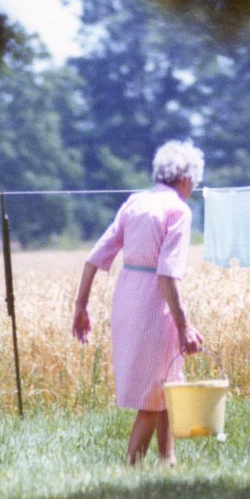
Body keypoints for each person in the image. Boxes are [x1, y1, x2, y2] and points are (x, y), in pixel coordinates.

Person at [72, 140, 205, 465]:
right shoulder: (179, 210)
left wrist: (81, 305)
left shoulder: (135, 202)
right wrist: (184, 325)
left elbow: (95, 258)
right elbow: (167, 273)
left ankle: (167, 460)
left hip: (127, 296)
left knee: (166, 384)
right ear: (187, 179)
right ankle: (132, 466)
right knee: (153, 393)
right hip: (153, 303)